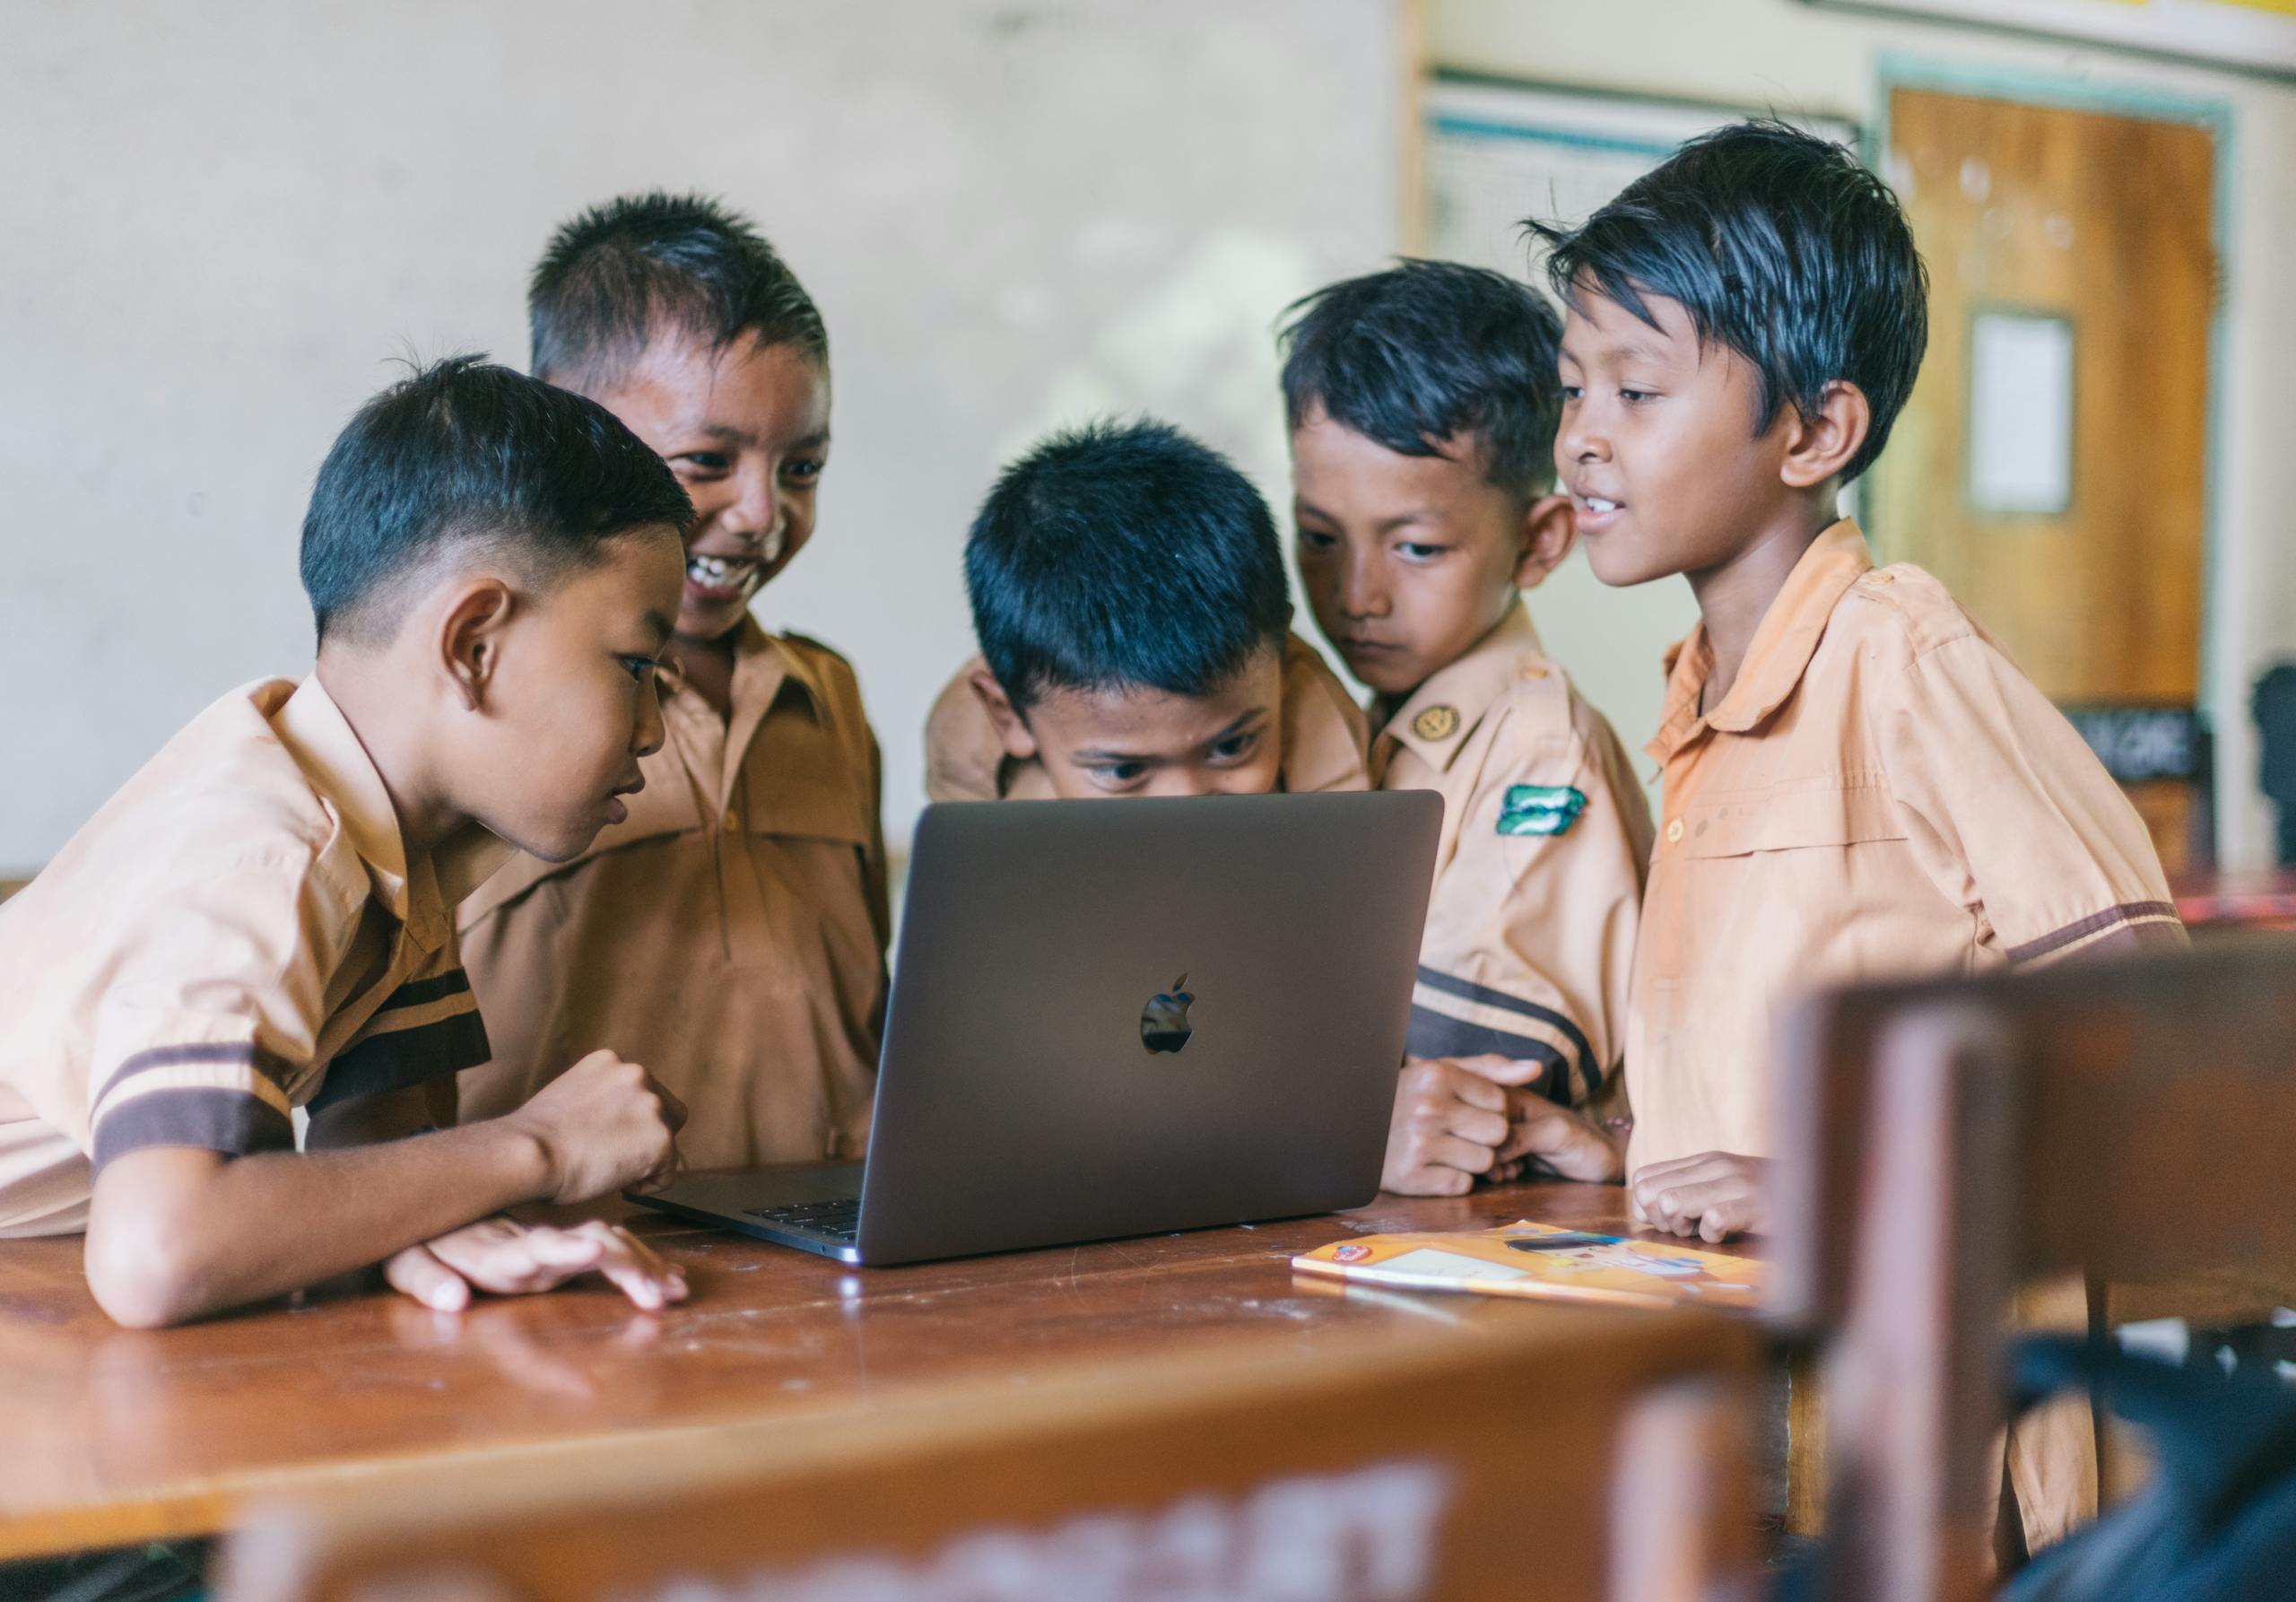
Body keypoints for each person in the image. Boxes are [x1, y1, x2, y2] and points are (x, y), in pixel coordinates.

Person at [0, 357, 694, 1325]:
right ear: (473, 645)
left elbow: (375, 1135)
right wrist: (538, 1144)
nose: (655, 726)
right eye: (637, 664)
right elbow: (158, 1250)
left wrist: (435, 1214)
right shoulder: (263, 855)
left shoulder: (397, 833)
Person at [457, 196, 888, 1171]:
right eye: (708, 460)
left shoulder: (826, 701)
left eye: (803, 466)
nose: (760, 514)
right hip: (562, 1264)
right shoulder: (469, 702)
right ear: (565, 431)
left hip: (823, 1256)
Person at [1280, 261, 1650, 1197]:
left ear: (1538, 542)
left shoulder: (1539, 753)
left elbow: (1462, 1093)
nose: (1355, 594)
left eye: (1415, 548)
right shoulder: (1344, 720)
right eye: (1319, 536)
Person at [924, 419, 1370, 802]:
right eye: (1123, 772)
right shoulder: (965, 749)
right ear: (1009, 718)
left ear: (1281, 665)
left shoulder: (1329, 748)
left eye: (1232, 746)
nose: (1185, 807)